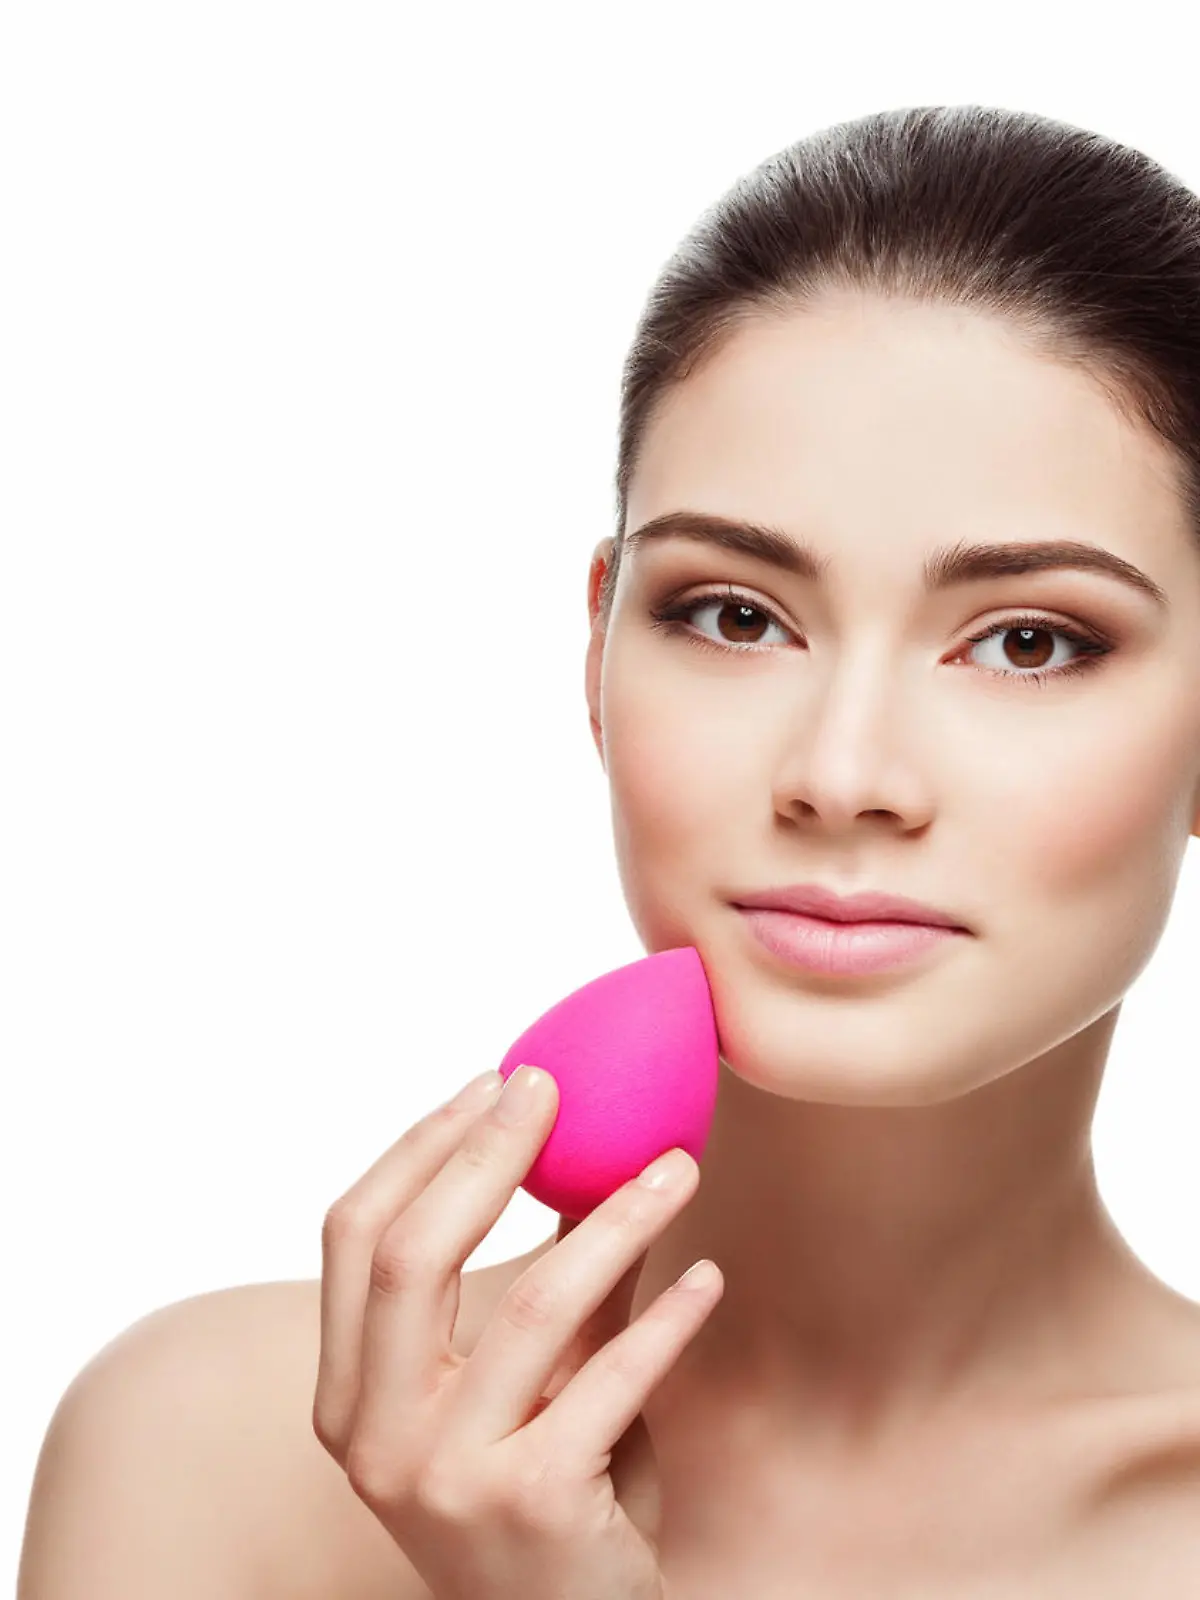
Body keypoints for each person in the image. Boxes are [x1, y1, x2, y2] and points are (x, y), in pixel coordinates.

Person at [19, 102, 1200, 1596]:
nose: (843, 775)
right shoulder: (207, 1455)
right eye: (734, 615)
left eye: (1029, 642)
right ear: (596, 654)